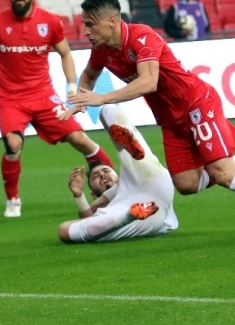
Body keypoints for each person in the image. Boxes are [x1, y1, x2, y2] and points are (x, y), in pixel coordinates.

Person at [66, 0, 235, 237]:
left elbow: (148, 82)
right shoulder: (102, 49)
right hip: (170, 119)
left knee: (222, 174)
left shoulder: (141, 37)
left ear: (111, 21)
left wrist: (100, 98)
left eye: (90, 24)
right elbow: (90, 75)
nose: (86, 31)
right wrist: (83, 97)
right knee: (186, 185)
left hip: (196, 104)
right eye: (85, 25)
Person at [0, 0, 114, 218]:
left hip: (44, 96)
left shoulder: (50, 21)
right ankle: (13, 200)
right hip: (10, 99)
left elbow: (65, 53)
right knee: (13, 143)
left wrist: (72, 87)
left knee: (81, 140)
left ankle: (115, 186)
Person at [58, 104, 179, 243]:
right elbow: (87, 218)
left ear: (119, 176)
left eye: (106, 171)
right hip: (152, 213)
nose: (102, 175)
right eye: (95, 176)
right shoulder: (105, 208)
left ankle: (128, 142)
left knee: (106, 110)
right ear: (93, 195)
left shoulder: (122, 184)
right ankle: (129, 215)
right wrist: (78, 195)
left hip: (146, 184)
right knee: (64, 230)